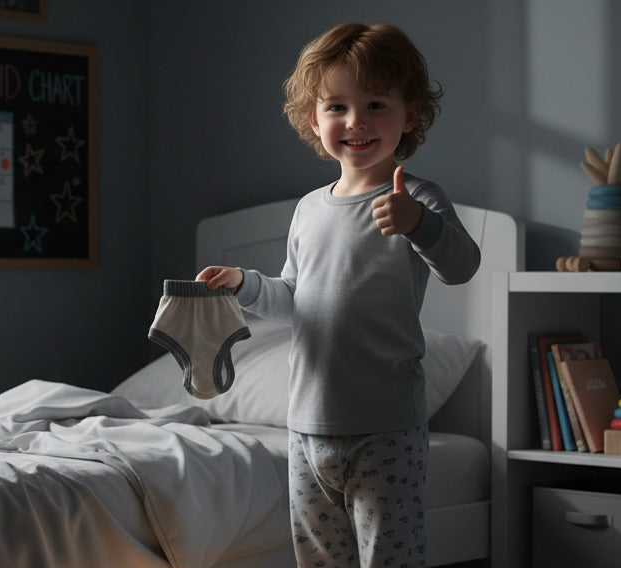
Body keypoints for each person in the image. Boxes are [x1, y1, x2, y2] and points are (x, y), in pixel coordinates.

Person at [196, 22, 481, 567]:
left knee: (388, 556)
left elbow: (462, 267)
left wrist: (419, 223)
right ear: (314, 118)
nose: (356, 122)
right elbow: (293, 298)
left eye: (376, 104)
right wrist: (243, 284)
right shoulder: (308, 208)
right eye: (337, 107)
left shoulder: (416, 197)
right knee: (320, 557)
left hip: (385, 427)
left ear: (411, 115)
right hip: (306, 427)